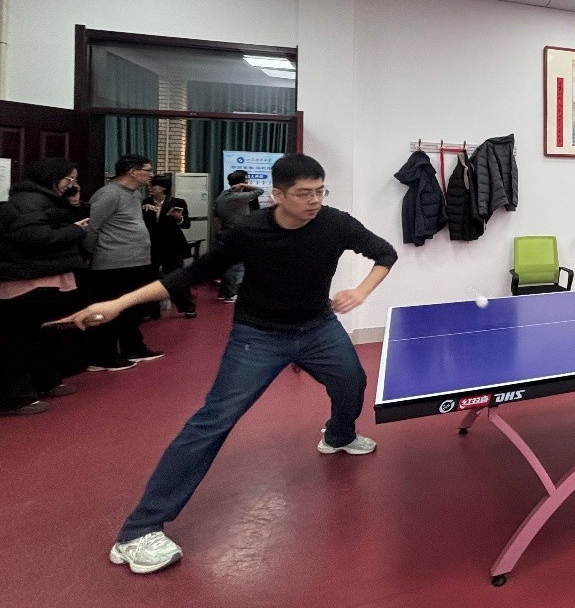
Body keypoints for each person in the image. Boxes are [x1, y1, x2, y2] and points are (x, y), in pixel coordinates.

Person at [56, 153, 397, 573]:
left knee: (352, 382)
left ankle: (339, 435)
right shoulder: (250, 230)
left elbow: (385, 253)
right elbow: (191, 275)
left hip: (318, 327)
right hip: (258, 335)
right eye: (303, 193)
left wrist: (360, 292)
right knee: (213, 420)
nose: (314, 201)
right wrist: (119, 303)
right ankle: (138, 531)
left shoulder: (335, 223)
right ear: (277, 195)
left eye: (319, 191)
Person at [0, 158, 89, 415]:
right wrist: (75, 230)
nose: (72, 184)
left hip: (43, 276)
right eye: (69, 179)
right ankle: (17, 397)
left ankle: (44, 381)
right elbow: (35, 238)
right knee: (21, 340)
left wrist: (74, 207)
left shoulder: (43, 199)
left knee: (42, 336)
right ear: (50, 177)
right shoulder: (26, 202)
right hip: (26, 280)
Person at [84, 154, 162, 369]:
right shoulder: (108, 194)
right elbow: (91, 227)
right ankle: (103, 357)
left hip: (136, 261)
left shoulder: (135, 195)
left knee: (132, 309)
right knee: (108, 310)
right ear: (132, 172)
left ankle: (133, 348)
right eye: (147, 170)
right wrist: (89, 254)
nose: (151, 175)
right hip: (112, 263)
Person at [143, 175, 196, 318]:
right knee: (150, 278)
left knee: (176, 277)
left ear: (163, 188)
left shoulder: (177, 202)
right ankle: (151, 311)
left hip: (172, 246)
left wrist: (179, 218)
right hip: (151, 246)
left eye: (154, 186)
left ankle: (188, 307)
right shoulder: (145, 202)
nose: (150, 188)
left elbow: (187, 224)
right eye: (150, 186)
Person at [211, 170, 261, 302]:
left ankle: (224, 292)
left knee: (228, 264)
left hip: (226, 232)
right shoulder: (237, 197)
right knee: (235, 265)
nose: (248, 182)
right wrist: (245, 186)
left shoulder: (222, 195)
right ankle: (230, 293)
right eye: (246, 180)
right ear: (241, 182)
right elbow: (259, 191)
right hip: (238, 233)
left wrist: (219, 231)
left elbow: (215, 214)